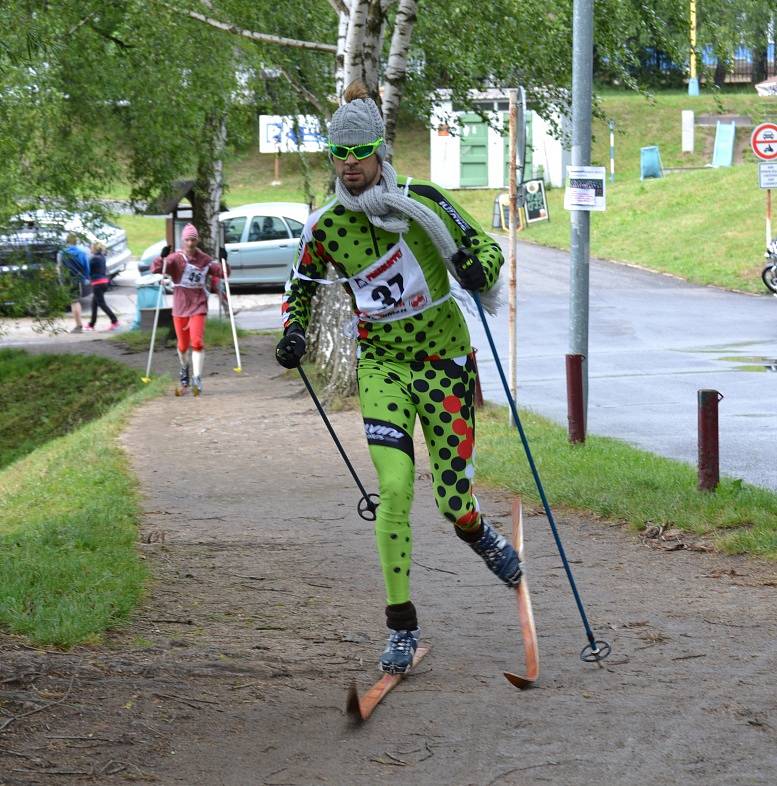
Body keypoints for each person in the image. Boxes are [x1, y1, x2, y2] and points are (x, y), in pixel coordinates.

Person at [275, 80, 522, 676]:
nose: (350, 166)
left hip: (442, 362)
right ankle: (401, 628)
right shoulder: (326, 225)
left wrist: (471, 266)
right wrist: (294, 332)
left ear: (381, 152)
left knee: (450, 502)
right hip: (382, 363)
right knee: (393, 490)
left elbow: (487, 253)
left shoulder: (426, 202)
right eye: (339, 155)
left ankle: (478, 530)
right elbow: (300, 288)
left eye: (360, 154)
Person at [150, 223, 226, 395]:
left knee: (197, 342)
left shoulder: (204, 259)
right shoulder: (176, 258)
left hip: (198, 304)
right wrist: (161, 258)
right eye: (187, 240)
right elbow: (156, 269)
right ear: (183, 241)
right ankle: (184, 368)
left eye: (193, 239)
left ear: (197, 240)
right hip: (180, 306)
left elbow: (222, 273)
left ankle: (197, 378)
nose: (190, 243)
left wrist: (224, 261)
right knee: (183, 345)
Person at [84, 241, 119, 331]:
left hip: (97, 284)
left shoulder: (93, 258)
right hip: (104, 282)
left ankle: (114, 321)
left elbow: (88, 271)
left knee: (101, 304)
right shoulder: (102, 257)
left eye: (91, 247)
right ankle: (91, 324)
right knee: (94, 304)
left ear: (94, 248)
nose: (90, 248)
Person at [59, 233, 90, 333]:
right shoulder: (82, 252)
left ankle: (78, 325)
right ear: (76, 242)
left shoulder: (62, 253)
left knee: (74, 302)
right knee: (76, 301)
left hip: (68, 280)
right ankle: (78, 324)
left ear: (67, 242)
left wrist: (61, 280)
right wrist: (86, 278)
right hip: (79, 279)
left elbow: (60, 268)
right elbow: (86, 267)